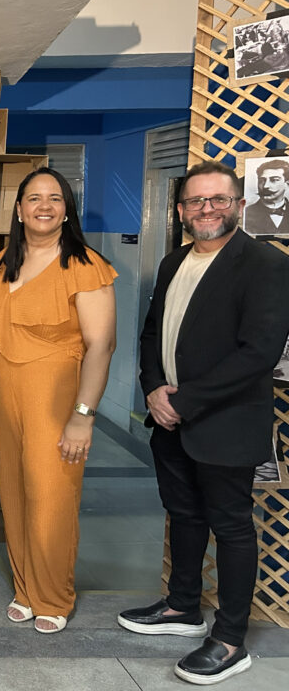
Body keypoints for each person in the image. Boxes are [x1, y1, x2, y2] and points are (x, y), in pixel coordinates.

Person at [118, 160, 289, 685]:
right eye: (196, 201)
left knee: (232, 527)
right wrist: (154, 389)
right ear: (180, 210)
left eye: (218, 199)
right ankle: (182, 606)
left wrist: (184, 401)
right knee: (185, 515)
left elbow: (259, 352)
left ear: (239, 204)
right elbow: (152, 334)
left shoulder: (265, 264)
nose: (207, 208)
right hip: (169, 418)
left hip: (224, 421)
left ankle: (231, 639)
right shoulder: (173, 261)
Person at [0, 167, 116, 634]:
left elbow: (101, 345)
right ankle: (25, 588)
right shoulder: (4, 262)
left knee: (52, 496)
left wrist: (83, 415)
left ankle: (53, 596)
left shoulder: (84, 265)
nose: (44, 206)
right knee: (15, 491)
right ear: (19, 210)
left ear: (66, 210)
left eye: (54, 198)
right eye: (34, 198)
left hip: (55, 396)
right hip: (6, 392)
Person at [242, 159, 289, 236]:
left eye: (274, 180)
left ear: (286, 184)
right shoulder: (246, 213)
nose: (265, 186)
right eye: (262, 180)